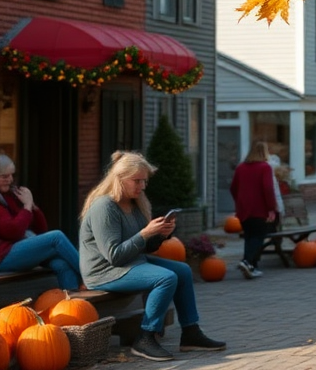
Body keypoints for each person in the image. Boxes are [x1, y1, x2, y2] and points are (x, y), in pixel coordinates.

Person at [79, 151, 225, 362]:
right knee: (165, 278)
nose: (142, 186)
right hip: (104, 272)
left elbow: (144, 248)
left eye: (144, 181)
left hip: (130, 262)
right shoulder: (105, 207)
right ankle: (145, 338)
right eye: (137, 181)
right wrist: (145, 233)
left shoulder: (134, 203)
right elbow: (114, 256)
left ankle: (190, 333)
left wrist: (161, 235)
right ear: (120, 179)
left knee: (182, 271)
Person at [0, 154, 83, 290]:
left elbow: (41, 229)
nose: (9, 180)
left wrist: (32, 206)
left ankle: (73, 302)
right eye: (4, 176)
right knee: (56, 237)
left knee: (61, 263)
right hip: (3, 257)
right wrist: (26, 206)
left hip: (18, 249)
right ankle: (91, 276)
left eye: (11, 175)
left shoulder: (10, 196)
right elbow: (13, 231)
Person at [230, 141, 278, 279]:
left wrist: (239, 201)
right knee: (258, 237)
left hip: (244, 209)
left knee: (249, 236)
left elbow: (233, 188)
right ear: (264, 153)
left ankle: (251, 266)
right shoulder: (265, 167)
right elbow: (268, 188)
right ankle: (247, 261)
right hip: (259, 208)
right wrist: (271, 208)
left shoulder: (240, 168)